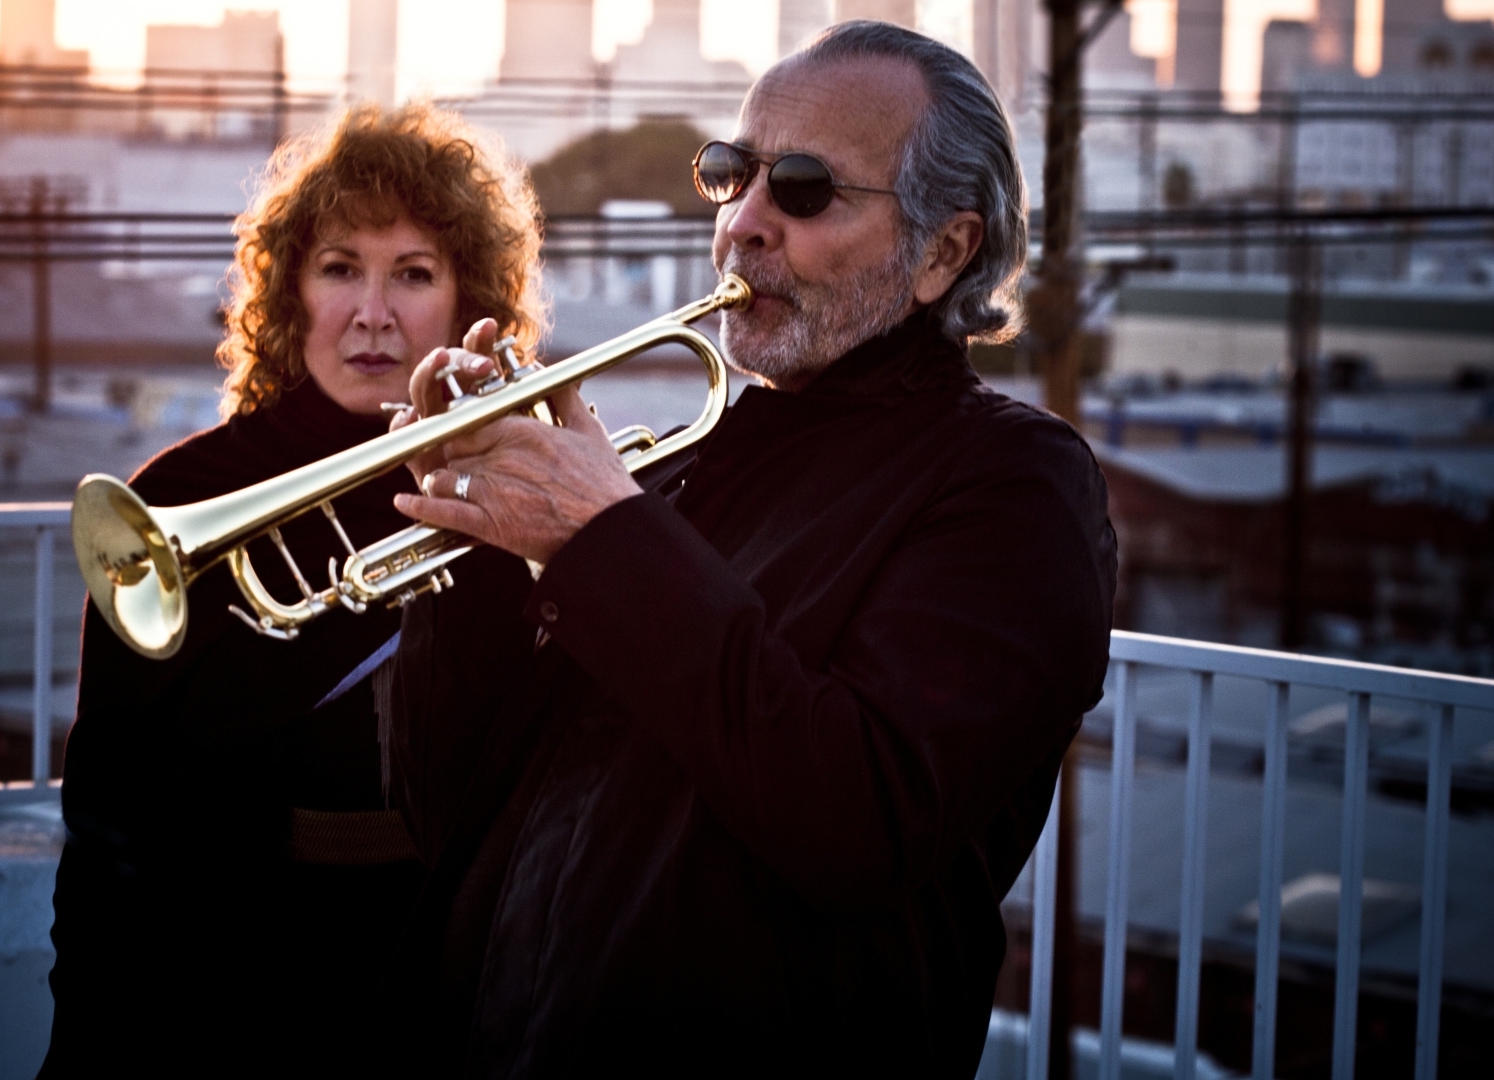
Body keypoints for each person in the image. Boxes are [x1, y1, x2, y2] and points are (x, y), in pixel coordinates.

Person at [376, 21, 1117, 1076]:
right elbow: (449, 806)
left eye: (804, 189)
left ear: (943, 253)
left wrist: (603, 536)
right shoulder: (689, 465)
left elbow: (856, 815)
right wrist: (482, 542)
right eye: (730, 177)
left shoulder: (1016, 487)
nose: (741, 227)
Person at [40, 104, 545, 1077]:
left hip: (448, 978)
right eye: (341, 268)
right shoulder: (183, 495)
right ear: (291, 293)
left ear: (468, 302)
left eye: (414, 274)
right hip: (233, 979)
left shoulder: (519, 486)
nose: (373, 312)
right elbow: (109, 813)